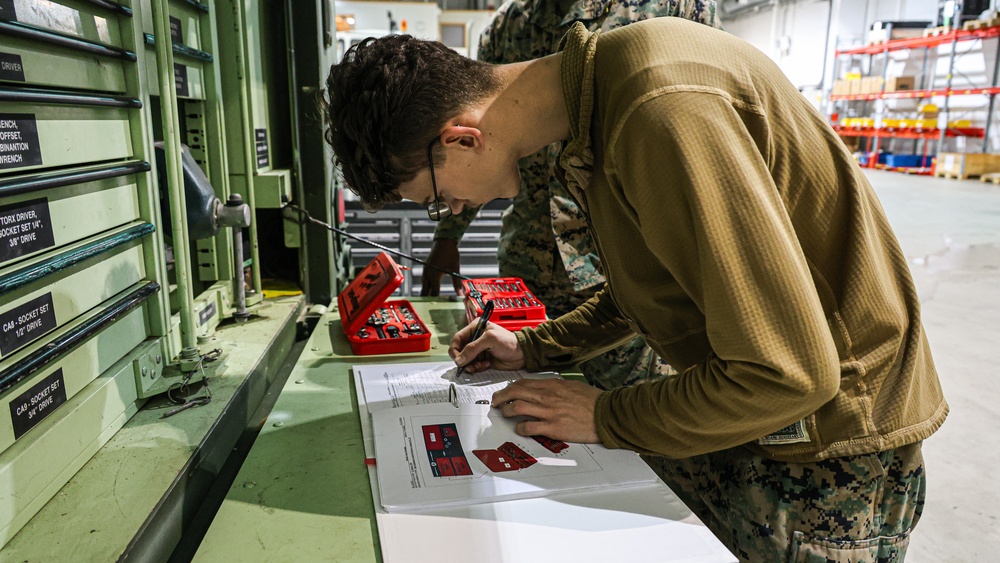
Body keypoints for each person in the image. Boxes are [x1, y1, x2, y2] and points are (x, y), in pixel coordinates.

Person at [323, 17, 948, 560]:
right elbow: (659, 281)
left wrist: (604, 414)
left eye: (435, 199)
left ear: (463, 137)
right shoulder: (601, 99)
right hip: (768, 426)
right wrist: (535, 348)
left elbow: (788, 374)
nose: (455, 208)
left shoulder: (659, 109)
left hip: (827, 455)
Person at [421, 0, 721, 391]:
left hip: (618, 270)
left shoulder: (674, 7)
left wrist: (606, 417)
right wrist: (447, 234)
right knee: (525, 416)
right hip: (529, 269)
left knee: (634, 412)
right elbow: (475, 131)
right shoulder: (510, 25)